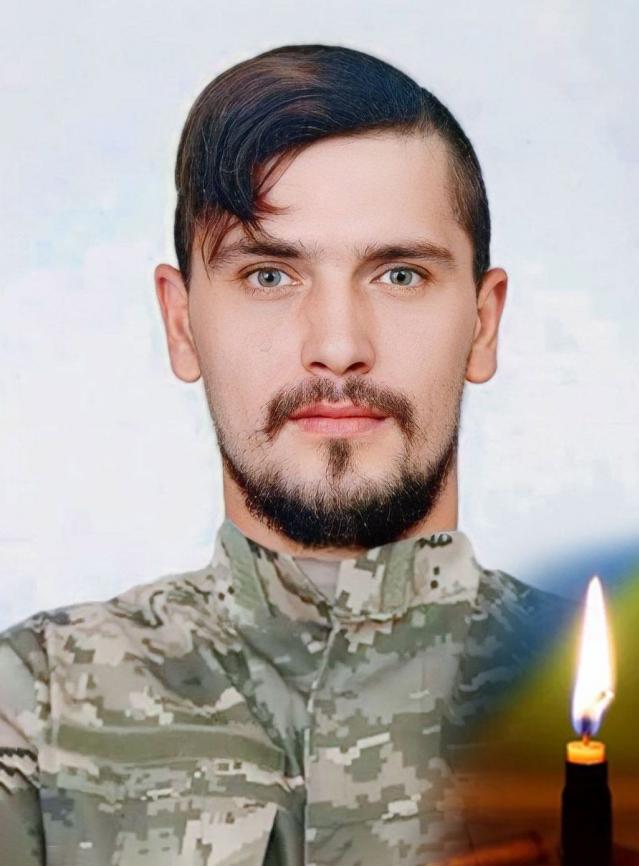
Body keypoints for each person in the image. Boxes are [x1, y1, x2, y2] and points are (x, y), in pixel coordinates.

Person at [0, 44, 579, 866]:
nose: (337, 346)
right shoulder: (32, 703)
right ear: (180, 323)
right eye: (269, 275)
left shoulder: (630, 711)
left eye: (400, 275)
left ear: (482, 326)